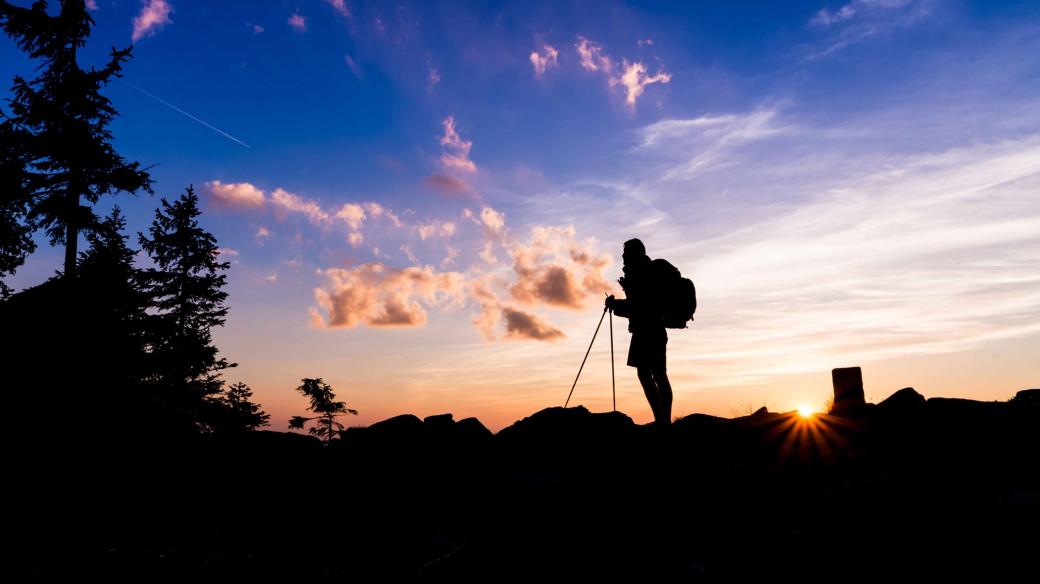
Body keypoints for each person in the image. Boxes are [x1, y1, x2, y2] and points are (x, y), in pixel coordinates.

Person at [605, 238, 673, 427]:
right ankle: (663, 420)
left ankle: (663, 422)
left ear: (634, 253)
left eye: (626, 252)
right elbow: (638, 306)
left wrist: (615, 305)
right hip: (649, 330)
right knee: (653, 375)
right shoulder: (641, 271)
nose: (623, 256)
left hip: (648, 330)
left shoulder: (643, 273)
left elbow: (639, 306)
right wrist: (619, 304)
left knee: (655, 375)